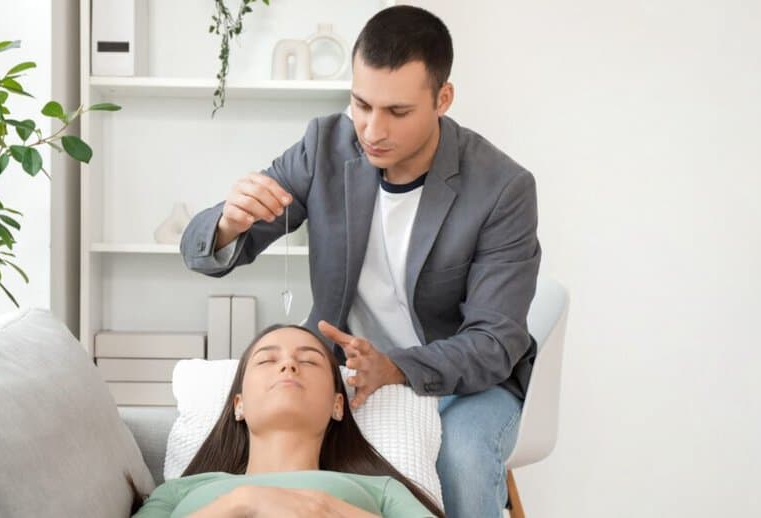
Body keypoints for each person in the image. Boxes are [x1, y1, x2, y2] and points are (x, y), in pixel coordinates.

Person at [180, 6, 540, 517]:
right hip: (342, 372)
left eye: (397, 112)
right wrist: (228, 223)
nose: (371, 130)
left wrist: (395, 366)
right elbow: (204, 250)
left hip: (463, 384)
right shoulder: (325, 145)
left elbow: (494, 343)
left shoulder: (501, 189)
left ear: (443, 99)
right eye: (361, 104)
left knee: (460, 457)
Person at [132, 324, 444, 517]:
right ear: (238, 405)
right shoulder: (177, 492)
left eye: (309, 361)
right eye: (268, 360)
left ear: (338, 406)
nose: (289, 366)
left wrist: (326, 510)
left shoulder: (383, 490)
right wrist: (243, 502)